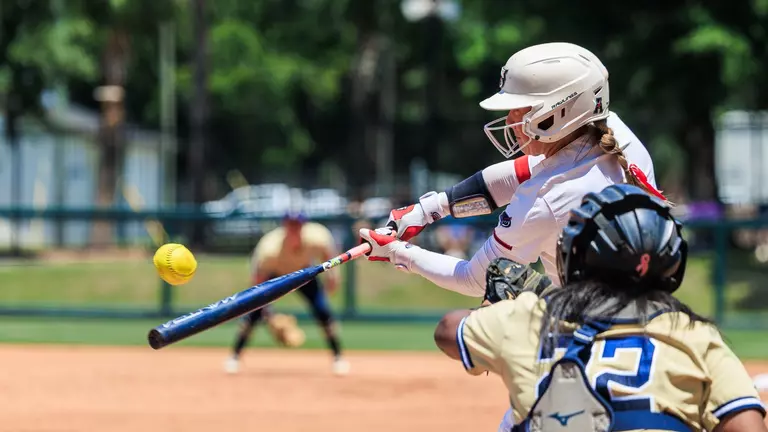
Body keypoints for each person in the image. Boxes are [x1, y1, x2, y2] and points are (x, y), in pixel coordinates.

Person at [433, 184, 767, 432]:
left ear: (575, 256)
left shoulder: (530, 318)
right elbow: (747, 426)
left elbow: (449, 330)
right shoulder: (694, 336)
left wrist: (506, 307)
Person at [359, 42, 666, 297]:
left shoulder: (546, 198)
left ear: (559, 111)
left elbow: (474, 279)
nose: (510, 121)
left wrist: (399, 253)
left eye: (523, 109)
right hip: (644, 309)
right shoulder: (613, 134)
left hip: (585, 336)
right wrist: (428, 210)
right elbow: (520, 172)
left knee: (460, 324)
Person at [224, 211, 350, 376]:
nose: (294, 229)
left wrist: (332, 279)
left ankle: (338, 357)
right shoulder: (269, 249)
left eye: (297, 225)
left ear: (303, 226)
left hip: (304, 273)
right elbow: (256, 283)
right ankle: (234, 356)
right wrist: (269, 315)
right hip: (275, 274)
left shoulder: (318, 237)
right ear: (284, 227)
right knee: (253, 313)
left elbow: (328, 257)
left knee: (322, 311)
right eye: (290, 225)